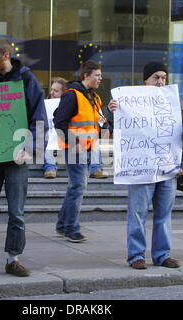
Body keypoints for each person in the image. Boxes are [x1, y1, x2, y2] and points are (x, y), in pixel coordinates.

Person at [0, 38, 48, 280]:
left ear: (5, 55)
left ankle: (13, 259)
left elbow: (39, 117)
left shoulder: (25, 79)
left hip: (17, 157)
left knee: (17, 212)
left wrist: (30, 147)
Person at [108, 62, 183, 269]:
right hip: (141, 167)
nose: (161, 82)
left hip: (167, 166)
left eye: (164, 77)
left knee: (164, 214)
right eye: (156, 77)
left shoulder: (175, 101)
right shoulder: (129, 100)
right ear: (145, 80)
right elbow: (113, 126)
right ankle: (136, 255)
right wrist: (112, 111)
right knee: (137, 212)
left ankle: (163, 255)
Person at [53, 60, 105, 243]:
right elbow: (59, 122)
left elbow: (98, 122)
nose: (100, 79)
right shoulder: (72, 95)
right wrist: (72, 143)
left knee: (75, 187)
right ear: (86, 76)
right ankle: (71, 228)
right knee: (78, 187)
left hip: (88, 148)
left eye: (100, 75)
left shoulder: (94, 97)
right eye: (97, 75)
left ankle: (62, 224)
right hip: (76, 149)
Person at [43, 78, 67, 179]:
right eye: (51, 89)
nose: (52, 93)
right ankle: (50, 167)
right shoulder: (45, 103)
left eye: (56, 91)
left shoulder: (69, 105)